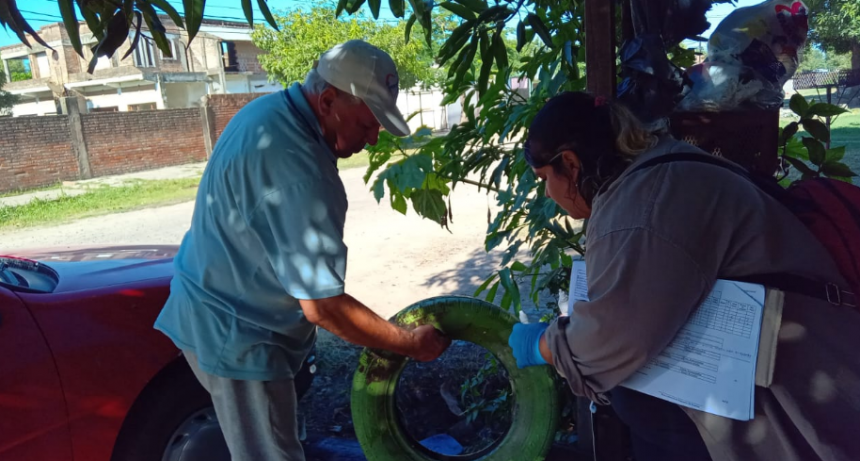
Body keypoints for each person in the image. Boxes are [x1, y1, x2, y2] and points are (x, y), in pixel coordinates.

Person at [508, 91, 860, 461]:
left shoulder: (645, 204)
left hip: (800, 383)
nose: (547, 192)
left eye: (545, 177)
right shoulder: (657, 171)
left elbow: (614, 339)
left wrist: (542, 344)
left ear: (571, 163)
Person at [154, 40, 451, 461]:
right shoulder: (304, 174)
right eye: (367, 124)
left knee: (272, 441)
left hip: (211, 308)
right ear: (328, 100)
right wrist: (410, 343)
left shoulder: (264, 113)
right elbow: (324, 308)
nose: (374, 137)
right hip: (240, 336)